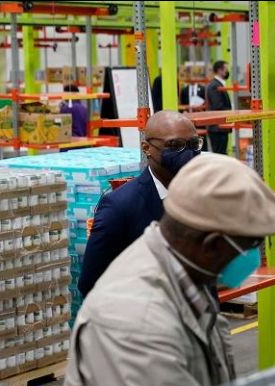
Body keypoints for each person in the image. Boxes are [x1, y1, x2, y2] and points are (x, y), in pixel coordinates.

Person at [55, 154, 275, 386]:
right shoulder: (134, 322)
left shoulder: (188, 277)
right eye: (250, 246)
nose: (256, 257)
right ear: (210, 245)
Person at [78, 111, 201, 297]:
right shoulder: (120, 206)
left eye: (193, 144)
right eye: (175, 145)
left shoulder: (202, 195)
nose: (187, 153)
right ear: (146, 148)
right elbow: (91, 282)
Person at [205, 60, 232, 154]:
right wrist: (233, 113)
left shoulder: (218, 85)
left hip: (220, 128)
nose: (227, 72)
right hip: (217, 128)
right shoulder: (215, 86)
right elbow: (218, 106)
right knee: (219, 155)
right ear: (219, 70)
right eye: (226, 69)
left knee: (221, 153)